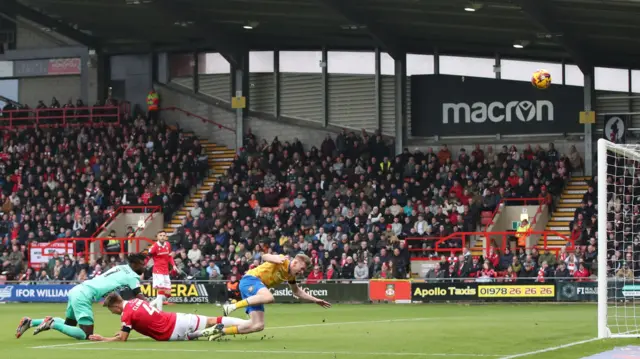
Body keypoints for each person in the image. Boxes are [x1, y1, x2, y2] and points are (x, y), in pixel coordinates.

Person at [15, 253, 148, 340]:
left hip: (77, 290)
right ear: (135, 264)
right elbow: (139, 296)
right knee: (86, 334)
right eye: (143, 264)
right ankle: (52, 323)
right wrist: (153, 307)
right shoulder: (132, 276)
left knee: (69, 325)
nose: (145, 266)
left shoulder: (120, 267)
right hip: (84, 295)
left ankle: (31, 322)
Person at [201, 253, 331, 340]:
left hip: (257, 291)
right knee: (269, 297)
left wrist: (316, 300)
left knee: (258, 325)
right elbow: (265, 256)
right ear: (295, 262)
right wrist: (275, 259)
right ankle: (232, 306)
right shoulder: (283, 260)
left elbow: (297, 292)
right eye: (301, 268)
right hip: (250, 280)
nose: (301, 272)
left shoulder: (291, 275)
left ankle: (220, 332)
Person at [88, 292, 248, 342]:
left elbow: (123, 339)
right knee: (213, 321)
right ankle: (246, 324)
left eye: (111, 310)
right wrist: (122, 330)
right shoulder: (135, 301)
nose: (112, 313)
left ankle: (204, 333)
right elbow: (143, 316)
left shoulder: (126, 314)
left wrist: (103, 338)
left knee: (203, 329)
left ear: (115, 306)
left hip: (170, 332)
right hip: (175, 319)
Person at [148, 231, 176, 310]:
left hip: (166, 271)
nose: (162, 237)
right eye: (161, 235)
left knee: (168, 294)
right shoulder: (154, 247)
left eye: (164, 235)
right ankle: (160, 312)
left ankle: (149, 306)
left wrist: (173, 265)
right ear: (157, 237)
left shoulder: (168, 244)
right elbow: (147, 256)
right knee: (160, 293)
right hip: (158, 271)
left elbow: (170, 257)